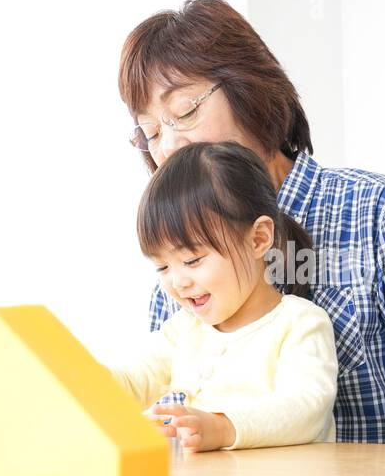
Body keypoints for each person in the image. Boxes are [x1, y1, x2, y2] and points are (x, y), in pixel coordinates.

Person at [118, 0, 385, 443]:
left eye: (184, 111)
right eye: (149, 133)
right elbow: (161, 415)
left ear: (248, 87)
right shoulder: (181, 278)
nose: (166, 147)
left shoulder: (378, 209)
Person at [109, 141, 337, 453]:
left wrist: (223, 427)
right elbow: (133, 381)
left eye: (192, 261)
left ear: (258, 239)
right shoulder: (183, 331)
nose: (178, 282)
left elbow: (306, 409)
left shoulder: (300, 323)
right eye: (162, 266)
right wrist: (80, 384)